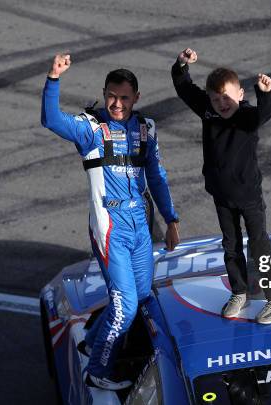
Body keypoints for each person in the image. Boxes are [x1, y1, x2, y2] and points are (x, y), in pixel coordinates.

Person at [42, 54, 180, 390]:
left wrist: (171, 219)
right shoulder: (90, 129)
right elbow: (51, 120)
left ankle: (91, 341)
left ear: (136, 98)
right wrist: (54, 79)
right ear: (104, 94)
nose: (117, 104)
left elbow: (157, 178)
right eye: (111, 97)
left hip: (139, 222)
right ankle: (98, 372)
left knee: (142, 293)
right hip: (109, 224)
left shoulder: (146, 130)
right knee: (126, 304)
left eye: (124, 98)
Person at [171, 48, 271, 324]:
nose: (221, 103)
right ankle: (239, 292)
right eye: (215, 98)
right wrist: (181, 64)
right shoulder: (208, 112)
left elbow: (265, 114)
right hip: (222, 195)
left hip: (248, 195)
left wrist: (265, 93)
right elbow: (184, 87)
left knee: (259, 244)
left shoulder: (247, 116)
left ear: (240, 94)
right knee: (231, 245)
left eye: (227, 96)